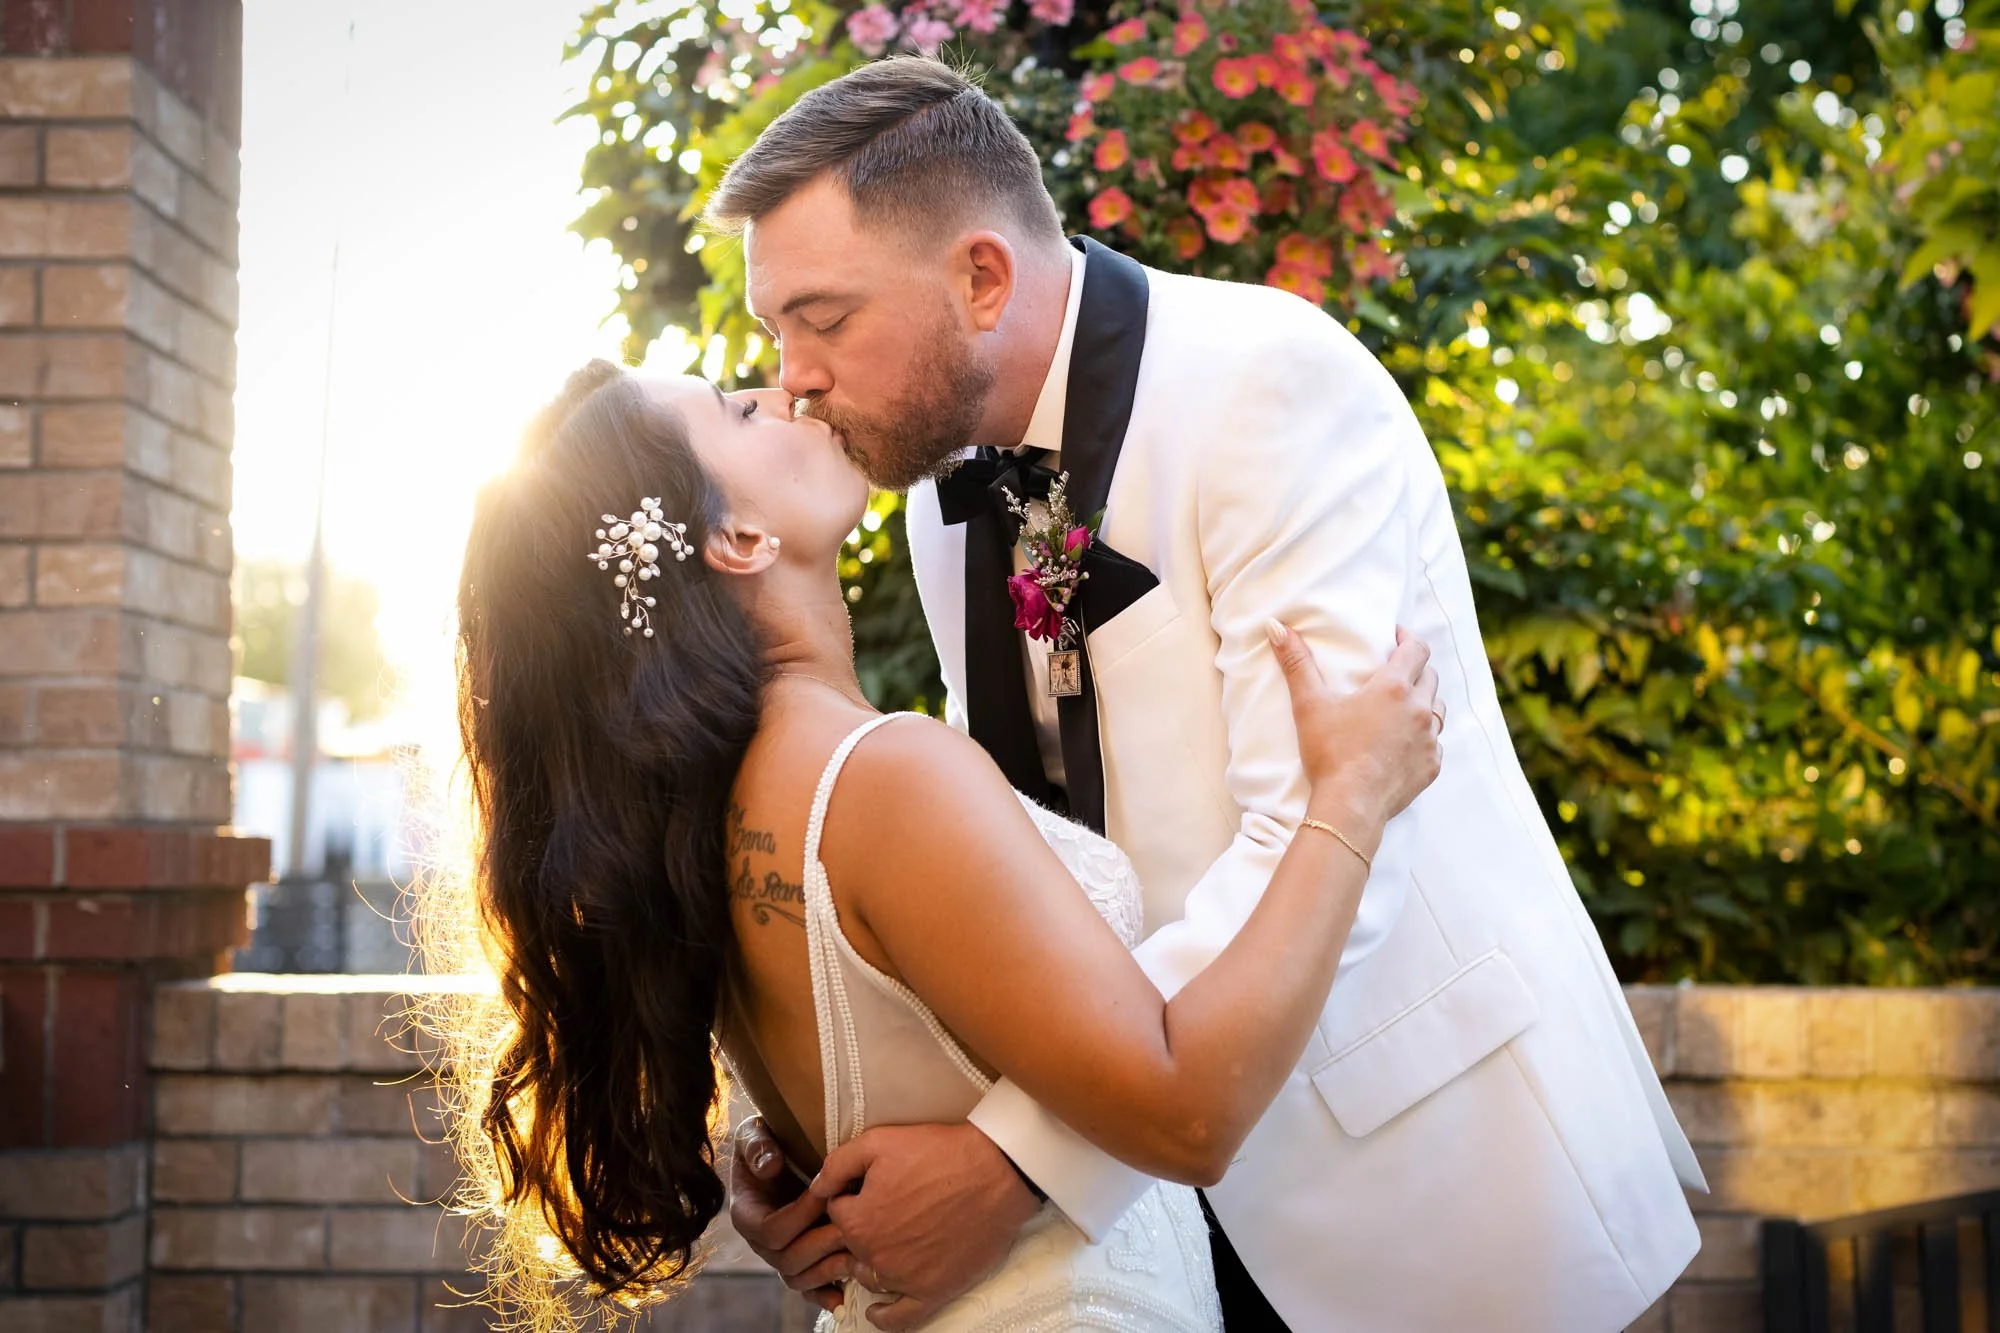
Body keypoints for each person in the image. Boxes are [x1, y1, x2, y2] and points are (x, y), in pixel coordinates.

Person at [710, 56, 1705, 1333]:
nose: (790, 374)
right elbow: (1014, 875)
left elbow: (1324, 831)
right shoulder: (938, 508)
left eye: (822, 318)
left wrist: (1018, 1164)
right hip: (1152, 1234)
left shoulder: (1267, 383)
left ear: (979, 277)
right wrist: (806, 1129)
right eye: (771, 332)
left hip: (1406, 1188)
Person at [449, 358, 1446, 1330]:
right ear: (741, 537)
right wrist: (1352, 795)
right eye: (738, 411)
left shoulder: (703, 804)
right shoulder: (884, 775)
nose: (783, 387)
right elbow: (1186, 1113)